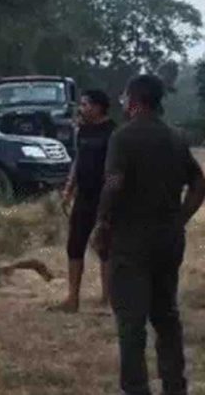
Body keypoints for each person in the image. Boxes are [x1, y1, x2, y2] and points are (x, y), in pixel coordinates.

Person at [93, 74, 205, 395]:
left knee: (131, 323)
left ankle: (136, 388)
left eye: (126, 97)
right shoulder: (177, 137)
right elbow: (199, 184)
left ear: (135, 101)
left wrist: (102, 223)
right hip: (168, 240)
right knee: (167, 316)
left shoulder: (123, 137)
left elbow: (114, 184)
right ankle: (174, 386)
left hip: (130, 241)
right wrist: (179, 218)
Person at [54, 90, 116, 313]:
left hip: (105, 198)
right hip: (84, 197)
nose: (81, 108)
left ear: (99, 107)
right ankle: (72, 299)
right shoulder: (83, 131)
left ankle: (107, 300)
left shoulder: (113, 133)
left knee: (105, 248)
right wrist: (69, 188)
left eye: (85, 104)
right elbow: (78, 160)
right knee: (74, 245)